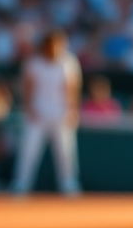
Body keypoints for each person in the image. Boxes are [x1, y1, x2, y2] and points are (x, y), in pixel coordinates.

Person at [12, 31, 82, 197]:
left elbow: (73, 88)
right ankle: (21, 184)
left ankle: (69, 185)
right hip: (37, 113)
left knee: (66, 152)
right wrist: (29, 108)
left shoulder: (69, 62)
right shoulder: (33, 63)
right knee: (29, 150)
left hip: (61, 113)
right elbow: (27, 88)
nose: (55, 48)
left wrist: (72, 110)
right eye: (51, 45)